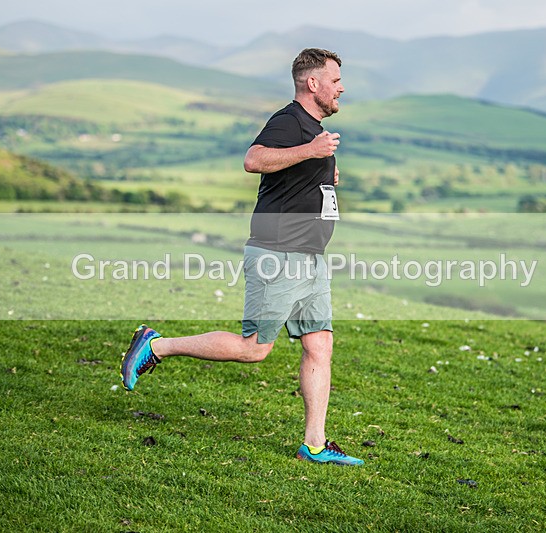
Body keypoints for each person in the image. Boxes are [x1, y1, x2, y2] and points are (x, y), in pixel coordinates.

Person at [119, 48, 363, 466]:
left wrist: (323, 175)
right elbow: (254, 160)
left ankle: (315, 445)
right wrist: (311, 153)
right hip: (278, 254)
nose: (341, 87)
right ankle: (157, 345)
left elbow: (293, 178)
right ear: (313, 83)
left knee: (319, 344)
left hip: (310, 258)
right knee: (254, 348)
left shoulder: (313, 131)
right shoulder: (290, 121)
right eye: (336, 80)